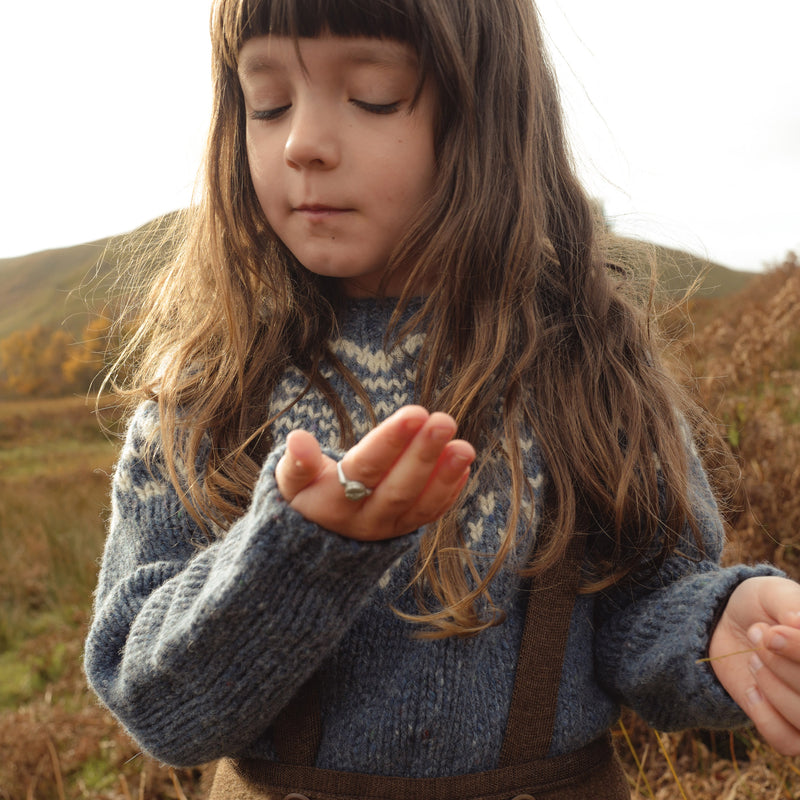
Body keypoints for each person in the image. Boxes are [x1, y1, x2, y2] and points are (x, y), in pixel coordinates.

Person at [84, 0, 800, 797]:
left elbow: (639, 604)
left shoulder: (586, 359)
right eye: (269, 102)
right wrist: (295, 559)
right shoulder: (208, 392)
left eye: (373, 95)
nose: (303, 144)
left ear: (486, 115)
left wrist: (720, 627)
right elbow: (155, 704)